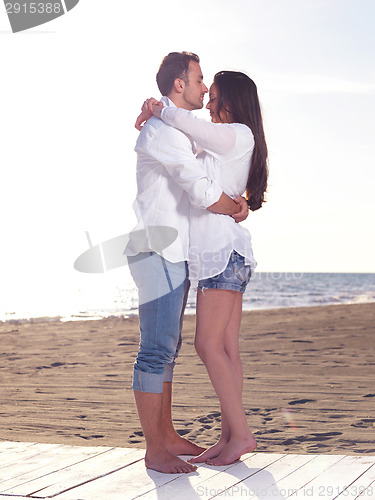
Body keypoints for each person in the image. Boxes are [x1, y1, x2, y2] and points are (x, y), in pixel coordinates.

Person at [136, 70, 268, 466]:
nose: (208, 100)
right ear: (180, 83)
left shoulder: (233, 134)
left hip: (218, 252)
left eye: (214, 96)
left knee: (207, 345)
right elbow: (193, 159)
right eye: (203, 89)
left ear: (231, 101)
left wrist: (159, 108)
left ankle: (240, 434)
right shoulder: (222, 139)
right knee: (224, 346)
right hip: (220, 252)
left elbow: (200, 185)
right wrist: (155, 110)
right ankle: (230, 437)